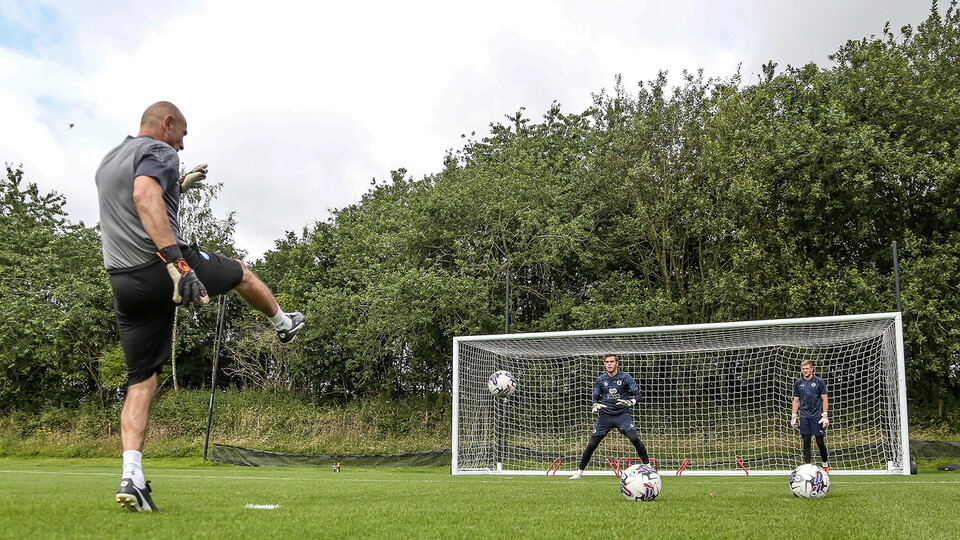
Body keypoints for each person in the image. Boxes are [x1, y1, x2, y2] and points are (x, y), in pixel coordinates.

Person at [96, 102, 305, 512]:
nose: (183, 145)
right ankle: (284, 322)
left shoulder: (110, 160)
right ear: (167, 124)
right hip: (161, 266)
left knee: (142, 379)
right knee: (243, 273)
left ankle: (131, 475)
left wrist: (181, 184)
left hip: (123, 280)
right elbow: (144, 195)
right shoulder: (159, 151)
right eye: (182, 135)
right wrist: (178, 265)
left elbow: (136, 193)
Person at [569, 354, 651, 479]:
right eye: (607, 362)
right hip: (605, 416)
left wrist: (631, 401)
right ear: (604, 364)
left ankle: (649, 467)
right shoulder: (600, 380)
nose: (609, 364)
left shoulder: (625, 378)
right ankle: (579, 472)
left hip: (622, 415)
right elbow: (595, 399)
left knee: (634, 438)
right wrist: (595, 405)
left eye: (612, 361)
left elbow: (639, 396)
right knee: (592, 444)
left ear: (617, 363)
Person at [791, 360, 829, 472]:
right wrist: (794, 416)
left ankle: (825, 465)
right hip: (804, 416)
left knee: (820, 442)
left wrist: (825, 415)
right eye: (803, 369)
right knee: (806, 442)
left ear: (811, 369)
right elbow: (796, 401)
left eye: (807, 368)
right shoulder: (798, 383)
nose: (805, 371)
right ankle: (807, 467)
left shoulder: (819, 381)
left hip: (817, 416)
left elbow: (825, 398)